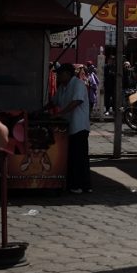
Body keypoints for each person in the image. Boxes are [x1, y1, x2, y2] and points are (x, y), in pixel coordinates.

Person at [52, 64, 91, 193]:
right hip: (69, 127)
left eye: (60, 74)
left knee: (79, 157)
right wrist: (40, 110)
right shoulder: (62, 87)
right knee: (72, 157)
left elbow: (77, 101)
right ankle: (76, 184)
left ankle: (82, 185)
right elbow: (54, 101)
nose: (58, 77)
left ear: (68, 74)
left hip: (79, 127)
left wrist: (61, 113)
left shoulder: (78, 84)